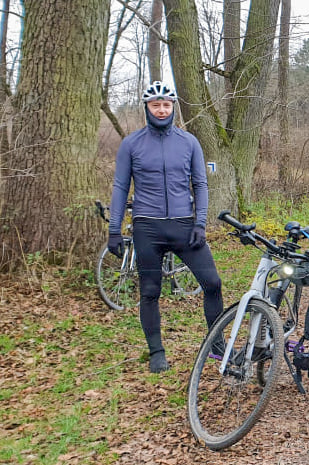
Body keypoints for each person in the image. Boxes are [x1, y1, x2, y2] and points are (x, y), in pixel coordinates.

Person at [107, 81, 223, 373]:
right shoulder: (132, 144)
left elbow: (200, 184)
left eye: (166, 104)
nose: (161, 109)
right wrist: (114, 229)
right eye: (155, 105)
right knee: (149, 291)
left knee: (213, 283)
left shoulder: (189, 142)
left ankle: (217, 344)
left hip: (184, 226)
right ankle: (156, 352)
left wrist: (200, 223)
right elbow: (121, 187)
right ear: (147, 108)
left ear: (173, 107)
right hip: (148, 227)